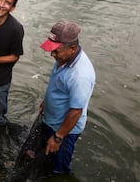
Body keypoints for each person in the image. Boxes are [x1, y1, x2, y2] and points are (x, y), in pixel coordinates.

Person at [11, 20, 95, 180]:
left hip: (64, 130)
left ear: (72, 48)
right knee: (43, 156)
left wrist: (58, 137)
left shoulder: (80, 75)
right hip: (51, 119)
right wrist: (46, 101)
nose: (52, 54)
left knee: (59, 169)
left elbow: (76, 111)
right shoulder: (64, 59)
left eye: (56, 51)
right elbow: (59, 86)